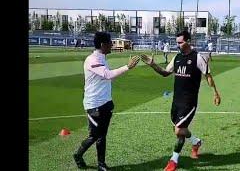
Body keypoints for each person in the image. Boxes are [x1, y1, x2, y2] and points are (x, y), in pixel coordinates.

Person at [141, 31, 221, 171]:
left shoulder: (198, 58)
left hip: (189, 102)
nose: (178, 45)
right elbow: (166, 73)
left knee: (179, 131)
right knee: (179, 129)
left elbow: (208, 75)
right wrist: (153, 65)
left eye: (180, 42)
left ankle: (174, 160)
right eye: (177, 42)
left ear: (188, 41)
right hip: (176, 101)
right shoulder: (176, 58)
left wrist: (215, 93)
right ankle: (196, 142)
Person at [73, 31, 140, 171]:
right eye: (110, 43)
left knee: (102, 135)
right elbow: (107, 74)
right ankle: (78, 155)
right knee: (94, 136)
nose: (112, 45)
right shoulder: (92, 60)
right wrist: (127, 67)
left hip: (106, 103)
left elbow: (107, 78)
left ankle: (101, 164)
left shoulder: (102, 58)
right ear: (103, 45)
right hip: (94, 105)